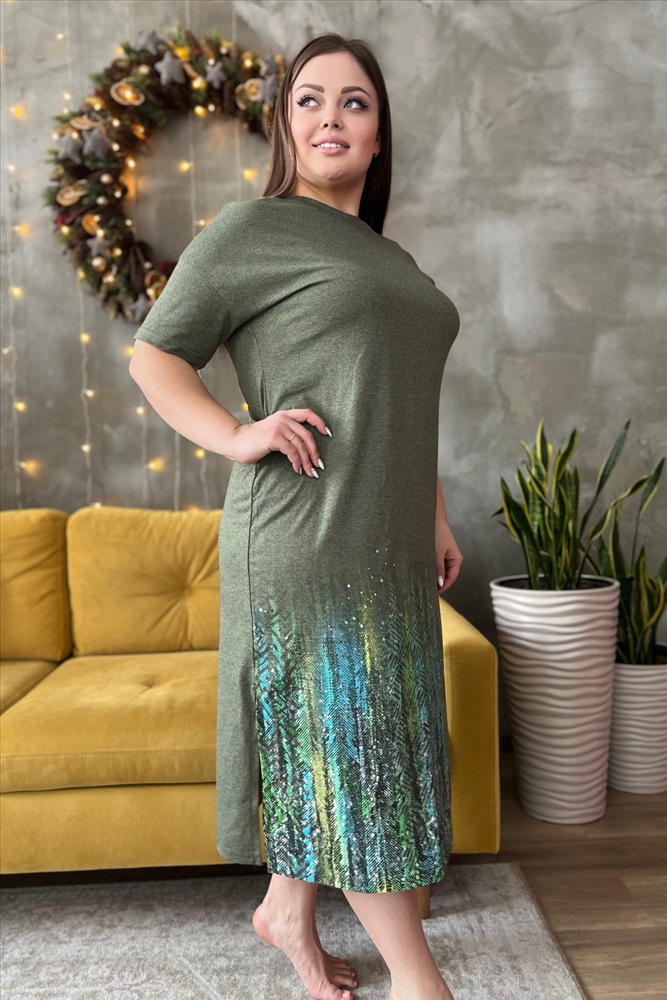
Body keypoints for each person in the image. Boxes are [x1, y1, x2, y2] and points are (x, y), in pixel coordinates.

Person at [129, 31, 463, 1000]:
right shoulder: (250, 230)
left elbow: (398, 399)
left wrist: (434, 514)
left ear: (378, 133)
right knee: (359, 751)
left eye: (355, 102)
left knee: (354, 738)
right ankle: (421, 984)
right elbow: (155, 355)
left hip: (388, 538)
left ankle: (286, 909)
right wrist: (238, 434)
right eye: (309, 98)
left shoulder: (388, 258)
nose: (330, 117)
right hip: (304, 535)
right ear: (284, 123)